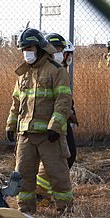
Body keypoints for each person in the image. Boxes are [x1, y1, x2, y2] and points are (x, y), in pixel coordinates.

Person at [5, 28, 74, 214]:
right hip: (25, 135)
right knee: (23, 176)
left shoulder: (56, 71)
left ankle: (65, 211)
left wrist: (55, 126)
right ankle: (25, 212)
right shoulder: (23, 75)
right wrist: (11, 125)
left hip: (48, 136)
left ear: (40, 48)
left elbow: (64, 101)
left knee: (58, 174)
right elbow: (16, 102)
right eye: (23, 49)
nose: (26, 53)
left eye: (29, 48)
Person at [35, 35, 79, 205]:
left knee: (61, 156)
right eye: (65, 52)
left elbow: (64, 97)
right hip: (55, 121)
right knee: (63, 155)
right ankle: (42, 192)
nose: (68, 57)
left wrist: (70, 111)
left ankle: (43, 191)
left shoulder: (58, 69)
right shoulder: (51, 70)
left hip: (60, 119)